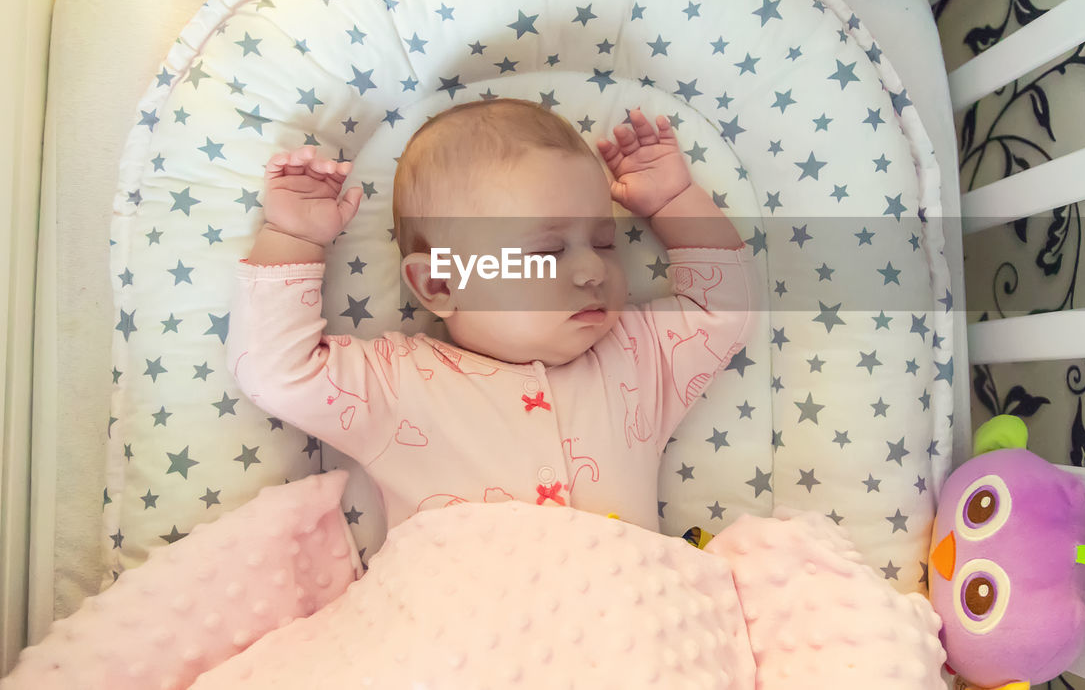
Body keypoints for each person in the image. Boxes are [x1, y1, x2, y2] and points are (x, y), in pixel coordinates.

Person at [226, 99, 757, 531]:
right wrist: (293, 239)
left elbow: (723, 311)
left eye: (604, 241)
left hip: (618, 628)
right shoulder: (397, 385)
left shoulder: (636, 358)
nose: (593, 268)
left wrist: (674, 203)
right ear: (439, 283)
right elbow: (278, 372)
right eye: (547, 252)